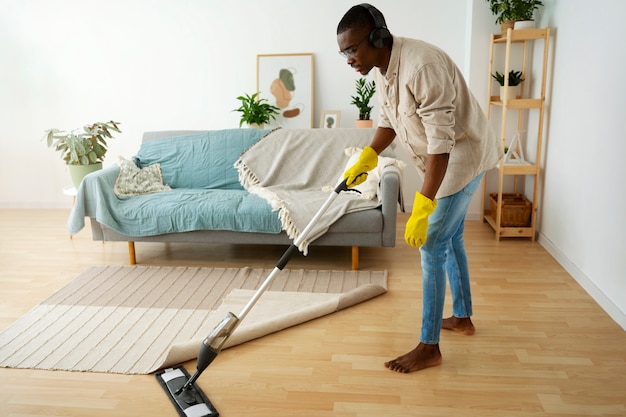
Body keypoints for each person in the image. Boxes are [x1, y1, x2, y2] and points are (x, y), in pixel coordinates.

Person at [338, 4, 503, 373]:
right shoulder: (382, 69)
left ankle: (429, 346)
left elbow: (441, 144)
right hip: (444, 156)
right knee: (451, 237)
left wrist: (422, 205)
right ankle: (462, 317)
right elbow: (388, 120)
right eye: (344, 53)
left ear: (378, 36)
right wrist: (367, 157)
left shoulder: (421, 66)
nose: (349, 59)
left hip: (463, 156)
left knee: (431, 243)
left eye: (353, 49)